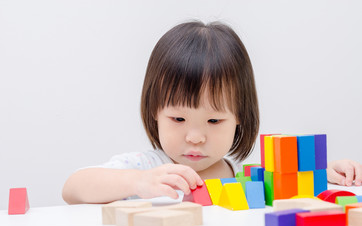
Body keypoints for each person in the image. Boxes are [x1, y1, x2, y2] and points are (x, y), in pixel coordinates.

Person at [62, 20, 361, 205]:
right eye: (178, 119)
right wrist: (138, 183)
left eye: (214, 120)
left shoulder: (239, 175)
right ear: (154, 110)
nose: (195, 137)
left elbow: (291, 188)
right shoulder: (147, 167)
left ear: (240, 115)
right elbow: (73, 188)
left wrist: (324, 173)